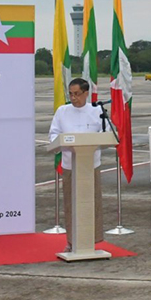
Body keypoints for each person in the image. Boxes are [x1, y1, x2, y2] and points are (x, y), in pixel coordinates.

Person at [48, 78, 105, 252]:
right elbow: (54, 133)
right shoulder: (62, 111)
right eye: (71, 94)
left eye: (77, 94)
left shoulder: (97, 111)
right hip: (70, 165)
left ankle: (92, 241)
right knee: (71, 204)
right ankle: (72, 241)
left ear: (86, 93)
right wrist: (60, 143)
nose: (73, 98)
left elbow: (106, 134)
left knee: (92, 203)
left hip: (90, 165)